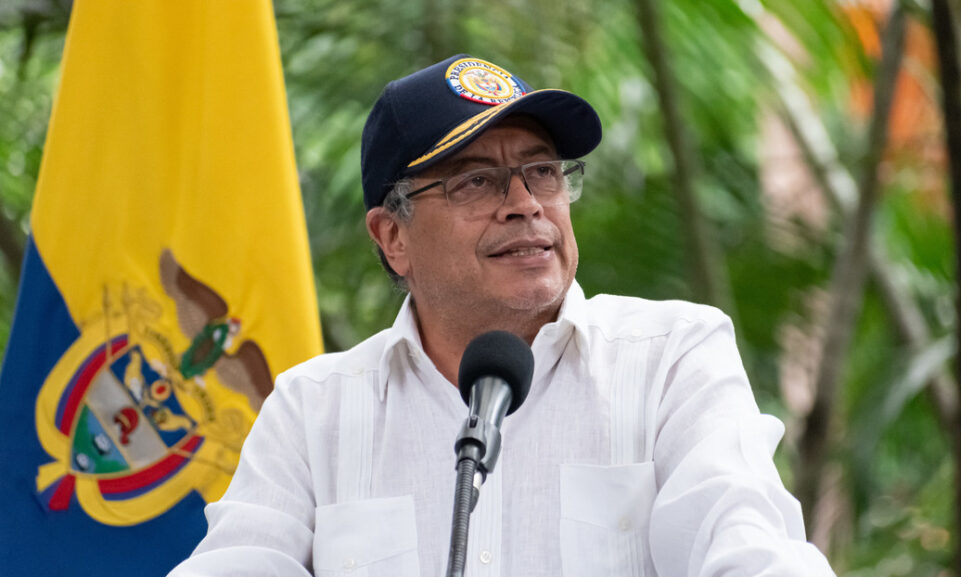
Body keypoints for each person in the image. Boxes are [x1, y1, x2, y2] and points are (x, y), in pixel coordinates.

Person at [168, 54, 836, 577]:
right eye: (476, 181)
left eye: (542, 171)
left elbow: (747, 542)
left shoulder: (671, 358)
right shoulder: (311, 412)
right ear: (391, 236)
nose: (525, 203)